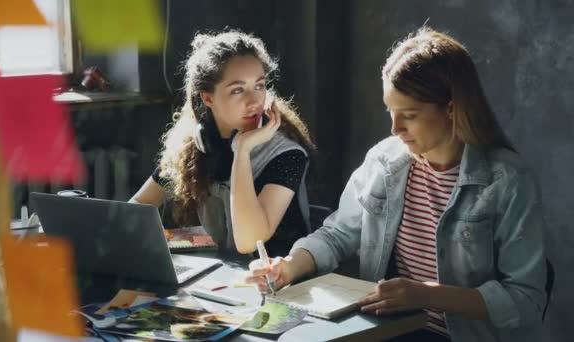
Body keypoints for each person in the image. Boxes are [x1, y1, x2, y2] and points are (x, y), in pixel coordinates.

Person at [246, 27, 547, 342]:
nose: (395, 128)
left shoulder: (508, 181)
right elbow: (337, 235)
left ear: (452, 108)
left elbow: (526, 299)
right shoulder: (384, 162)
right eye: (391, 111)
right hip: (384, 331)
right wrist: (288, 268)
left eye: (410, 115)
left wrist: (427, 295)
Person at [130, 30, 316, 257]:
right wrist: (168, 241)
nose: (254, 101)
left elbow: (248, 242)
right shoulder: (195, 144)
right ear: (207, 98)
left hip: (280, 282)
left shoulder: (287, 154)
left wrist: (242, 150)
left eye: (259, 85)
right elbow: (138, 205)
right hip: (221, 274)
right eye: (238, 90)